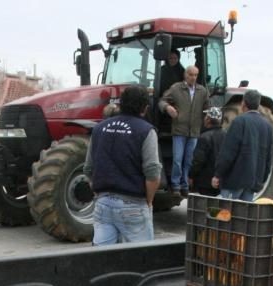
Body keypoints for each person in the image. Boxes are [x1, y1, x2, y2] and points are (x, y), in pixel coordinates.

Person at [82, 85, 161, 245]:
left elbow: (89, 168)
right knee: (140, 260)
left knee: (102, 261)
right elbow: (152, 173)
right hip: (133, 204)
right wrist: (149, 201)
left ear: (120, 104)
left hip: (103, 204)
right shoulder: (146, 131)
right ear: (145, 108)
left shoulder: (99, 128)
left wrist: (100, 193)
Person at [212, 89, 273, 200]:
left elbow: (228, 152)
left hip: (234, 181)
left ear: (243, 103)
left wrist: (218, 174)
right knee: (244, 215)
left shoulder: (239, 121)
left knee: (225, 214)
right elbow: (268, 157)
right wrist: (261, 180)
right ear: (258, 104)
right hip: (252, 183)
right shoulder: (267, 126)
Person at [160, 65, 210, 199]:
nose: (193, 78)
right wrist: (167, 107)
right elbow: (162, 101)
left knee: (188, 161)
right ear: (185, 75)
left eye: (195, 75)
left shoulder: (202, 91)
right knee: (177, 159)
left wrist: (208, 116)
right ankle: (176, 186)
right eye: (191, 75)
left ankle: (185, 185)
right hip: (179, 130)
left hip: (194, 131)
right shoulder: (176, 88)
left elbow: (207, 106)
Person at [189, 107, 226, 197]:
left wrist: (191, 176)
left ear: (208, 120)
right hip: (221, 180)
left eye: (205, 116)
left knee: (206, 207)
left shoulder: (204, 137)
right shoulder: (226, 135)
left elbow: (198, 160)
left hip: (205, 182)